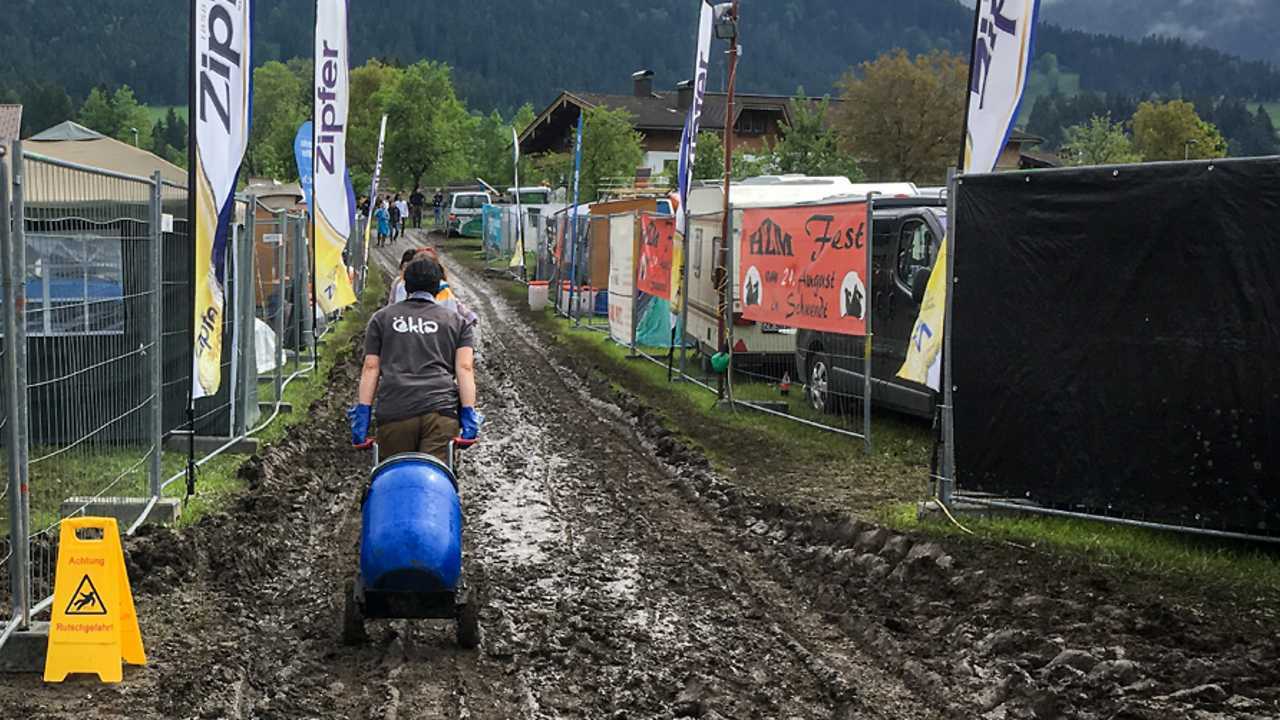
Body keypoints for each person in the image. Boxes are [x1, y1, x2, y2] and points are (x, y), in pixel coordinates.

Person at [350, 256, 483, 462]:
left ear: (405, 284)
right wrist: (468, 414)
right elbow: (464, 368)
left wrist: (363, 414)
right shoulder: (458, 323)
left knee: (396, 476)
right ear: (439, 286)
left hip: (395, 411)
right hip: (441, 412)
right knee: (435, 477)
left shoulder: (381, 319)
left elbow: (371, 367)